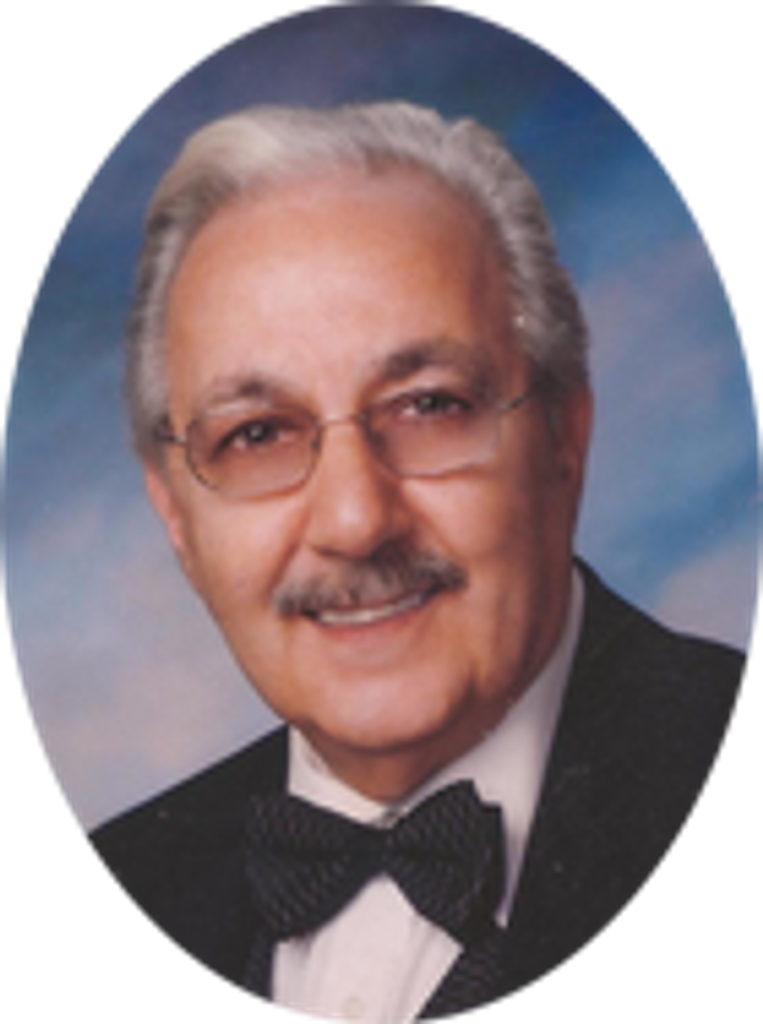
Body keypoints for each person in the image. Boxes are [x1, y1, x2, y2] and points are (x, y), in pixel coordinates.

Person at [86, 102, 748, 1019]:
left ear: (564, 435)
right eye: (258, 434)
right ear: (175, 515)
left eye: (429, 406)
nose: (356, 521)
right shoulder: (128, 874)